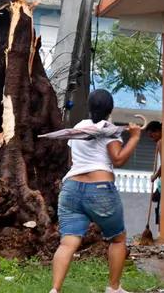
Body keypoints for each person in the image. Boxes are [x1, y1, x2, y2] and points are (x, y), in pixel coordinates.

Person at [50, 89, 144, 293]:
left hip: (71, 189)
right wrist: (135, 137)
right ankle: (114, 288)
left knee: (67, 243)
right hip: (100, 189)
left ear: (89, 107)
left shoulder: (78, 127)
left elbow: (72, 161)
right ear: (110, 110)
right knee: (117, 238)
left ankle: (55, 290)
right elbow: (117, 159)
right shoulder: (108, 129)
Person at [144, 121, 162, 229]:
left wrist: (154, 176)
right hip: (162, 182)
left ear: (158, 131)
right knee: (155, 199)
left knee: (160, 208)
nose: (152, 139)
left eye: (152, 135)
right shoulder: (163, 141)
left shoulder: (161, 143)